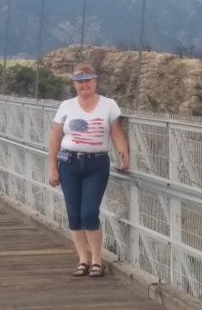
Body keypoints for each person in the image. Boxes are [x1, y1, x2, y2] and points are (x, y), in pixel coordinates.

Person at [48, 63, 130, 278]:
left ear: (95, 81)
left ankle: (96, 261)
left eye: (87, 80)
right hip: (69, 163)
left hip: (96, 164)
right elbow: (55, 138)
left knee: (89, 213)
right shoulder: (66, 106)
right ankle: (82, 260)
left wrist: (124, 152)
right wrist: (52, 168)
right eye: (79, 80)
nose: (84, 84)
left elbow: (116, 133)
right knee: (74, 215)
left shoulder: (109, 105)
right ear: (74, 83)